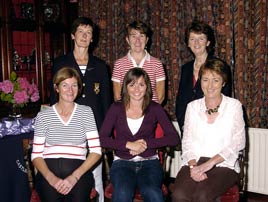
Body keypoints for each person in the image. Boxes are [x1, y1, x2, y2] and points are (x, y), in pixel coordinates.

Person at [50, 17, 112, 202]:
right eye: (81, 32)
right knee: (69, 177)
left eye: (89, 33)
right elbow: (54, 100)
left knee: (96, 178)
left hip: (94, 129)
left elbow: (106, 103)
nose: (85, 36)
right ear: (72, 35)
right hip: (67, 129)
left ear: (92, 38)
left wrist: (105, 133)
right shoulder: (60, 63)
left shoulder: (100, 66)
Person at [99, 68, 180, 202]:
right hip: (122, 163)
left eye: (141, 84)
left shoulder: (155, 108)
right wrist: (128, 144)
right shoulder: (116, 108)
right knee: (123, 193)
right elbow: (102, 139)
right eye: (132, 85)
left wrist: (146, 144)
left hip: (150, 163)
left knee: (152, 192)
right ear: (126, 87)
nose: (137, 89)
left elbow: (173, 138)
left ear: (147, 86)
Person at [172, 59, 245, 202]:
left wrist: (209, 164)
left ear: (223, 83)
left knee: (202, 196)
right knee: (179, 195)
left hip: (223, 164)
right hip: (194, 162)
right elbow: (186, 141)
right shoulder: (192, 107)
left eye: (216, 80)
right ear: (200, 81)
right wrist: (194, 166)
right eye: (205, 79)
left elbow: (238, 142)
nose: (210, 85)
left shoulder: (234, 106)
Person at [31, 67, 102, 201]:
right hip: (48, 174)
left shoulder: (86, 112)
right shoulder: (43, 116)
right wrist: (52, 179)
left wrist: (74, 177)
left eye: (74, 85)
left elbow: (96, 151)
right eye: (65, 85)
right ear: (56, 88)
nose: (70, 90)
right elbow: (36, 155)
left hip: (79, 174)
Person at [175, 20, 232, 136]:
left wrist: (208, 126)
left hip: (213, 129)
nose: (196, 43)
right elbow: (181, 102)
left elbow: (225, 100)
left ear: (208, 42)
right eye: (192, 39)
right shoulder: (186, 68)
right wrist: (184, 125)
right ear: (188, 43)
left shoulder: (219, 66)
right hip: (188, 129)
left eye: (201, 38)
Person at [112, 20, 165, 104]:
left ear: (147, 39)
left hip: (151, 113)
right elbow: (117, 96)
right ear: (127, 40)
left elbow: (160, 96)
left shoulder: (157, 64)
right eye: (133, 36)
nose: (138, 40)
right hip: (127, 113)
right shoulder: (119, 64)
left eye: (141, 36)